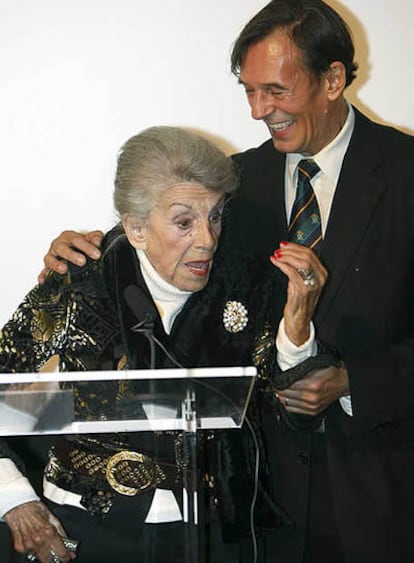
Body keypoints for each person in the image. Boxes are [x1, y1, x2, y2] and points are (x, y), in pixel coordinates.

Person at [43, 1, 414, 562]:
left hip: (379, 498)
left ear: (333, 78)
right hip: (254, 514)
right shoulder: (235, 183)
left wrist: (355, 381)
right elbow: (163, 246)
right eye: (248, 91)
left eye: (275, 90)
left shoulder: (408, 173)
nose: (259, 110)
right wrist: (80, 254)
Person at [0, 124, 327, 563]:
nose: (207, 240)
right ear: (135, 227)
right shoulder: (80, 286)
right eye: (184, 222)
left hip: (205, 536)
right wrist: (15, 500)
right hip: (89, 532)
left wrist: (298, 324)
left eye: (215, 215)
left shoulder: (241, 283)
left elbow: (281, 399)